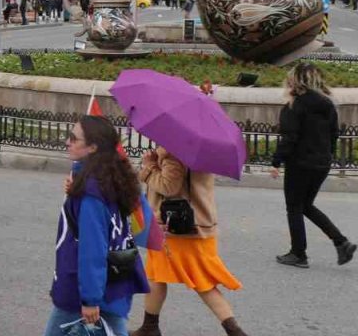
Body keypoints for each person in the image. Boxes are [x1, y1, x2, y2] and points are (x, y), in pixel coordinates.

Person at [45, 116, 150, 336]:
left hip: (84, 290)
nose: (67, 142)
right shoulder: (112, 178)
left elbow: (92, 248)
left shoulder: (91, 192)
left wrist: (90, 299)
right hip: (114, 281)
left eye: (74, 138)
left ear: (92, 147)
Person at [131, 146, 247, 336]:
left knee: (198, 282)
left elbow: (169, 186)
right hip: (197, 225)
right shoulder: (201, 151)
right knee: (157, 276)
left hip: (178, 230)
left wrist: (149, 166)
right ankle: (149, 326)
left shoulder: (173, 152)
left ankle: (235, 331)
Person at [271, 62, 355, 268]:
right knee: (306, 205)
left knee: (294, 207)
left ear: (295, 80)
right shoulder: (328, 105)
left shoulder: (294, 105)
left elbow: (290, 137)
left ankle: (298, 254)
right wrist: (327, 155)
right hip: (321, 163)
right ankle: (341, 242)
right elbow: (334, 134)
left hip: (300, 163)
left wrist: (276, 162)